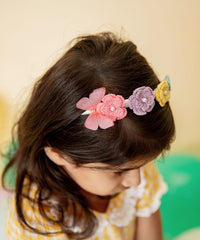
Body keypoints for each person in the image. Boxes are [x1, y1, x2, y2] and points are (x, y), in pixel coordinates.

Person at [2, 32, 175, 240]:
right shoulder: (36, 220)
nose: (136, 181)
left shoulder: (133, 164)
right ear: (58, 154)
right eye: (119, 172)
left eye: (142, 165)